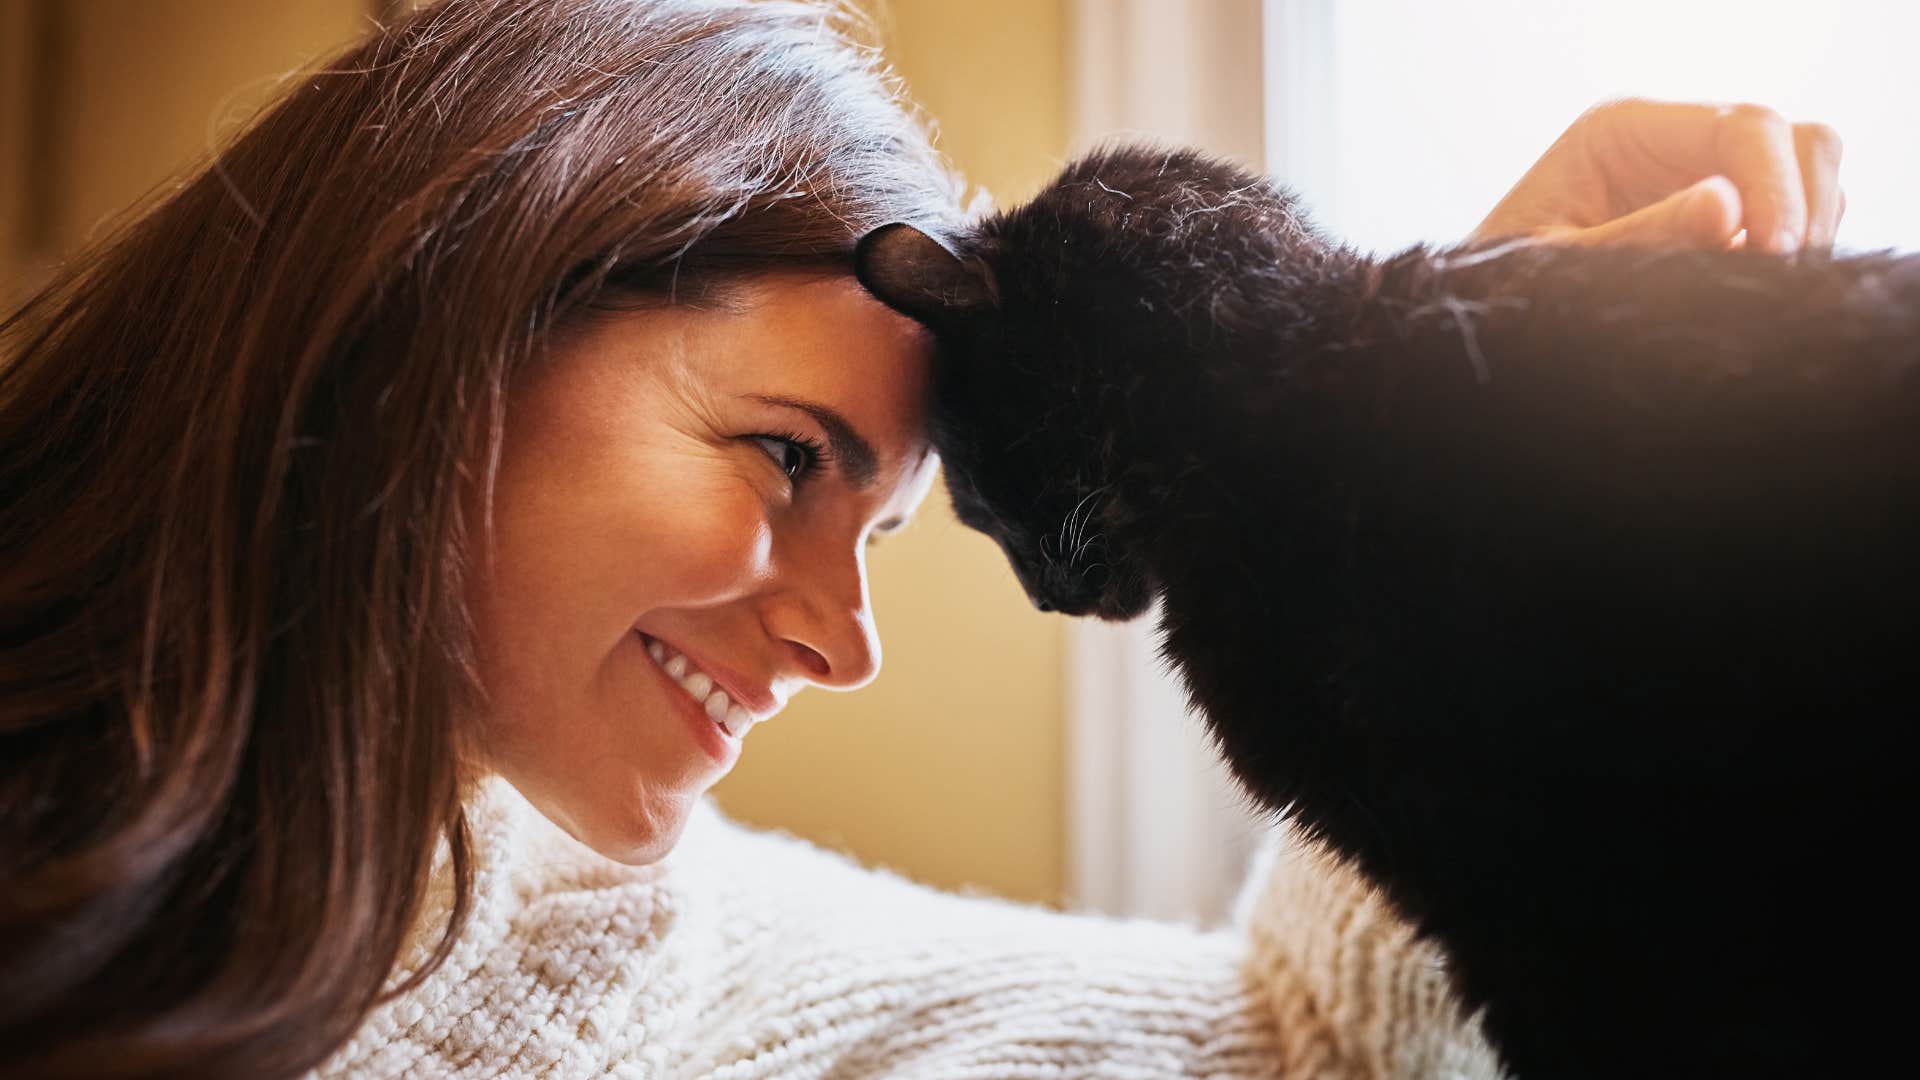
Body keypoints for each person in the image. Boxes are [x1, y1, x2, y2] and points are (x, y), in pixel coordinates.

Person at [0, 1, 1844, 1076]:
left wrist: (1424, 438)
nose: (841, 642)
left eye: (882, 526)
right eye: (787, 455)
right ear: (447, 320)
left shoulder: (672, 942)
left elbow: (1305, 1046)